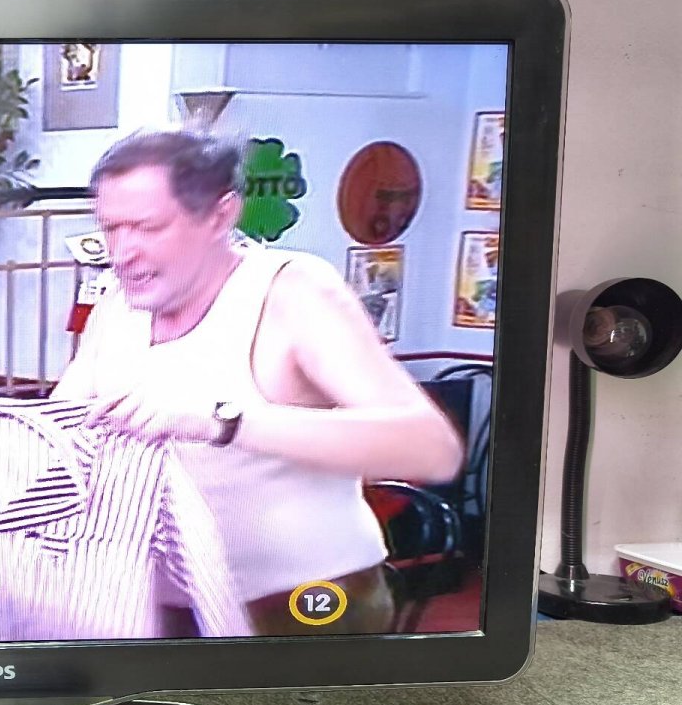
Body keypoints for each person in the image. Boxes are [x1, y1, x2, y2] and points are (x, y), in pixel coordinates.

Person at [52, 130, 464, 636]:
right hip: (156, 609)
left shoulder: (294, 293)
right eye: (111, 228)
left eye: (148, 227)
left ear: (220, 216)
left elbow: (432, 450)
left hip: (301, 605)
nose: (122, 252)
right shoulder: (116, 305)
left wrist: (223, 423)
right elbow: (61, 430)